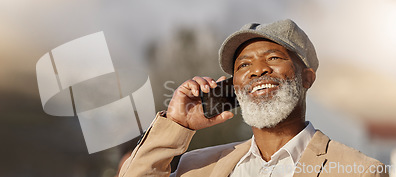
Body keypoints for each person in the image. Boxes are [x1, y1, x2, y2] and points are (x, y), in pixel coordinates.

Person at [118, 19, 389, 177]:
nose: (258, 70)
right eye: (243, 66)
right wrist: (178, 125)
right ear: (234, 87)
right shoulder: (197, 167)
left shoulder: (359, 170)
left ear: (307, 78)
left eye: (273, 58)